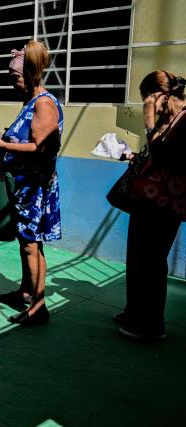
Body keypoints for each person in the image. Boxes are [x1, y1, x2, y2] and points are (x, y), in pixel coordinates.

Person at [0, 40, 63, 325]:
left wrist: (3, 146)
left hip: (34, 187)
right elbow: (25, 139)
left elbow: (42, 148)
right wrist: (1, 139)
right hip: (24, 185)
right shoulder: (30, 101)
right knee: (26, 243)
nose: (12, 82)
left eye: (15, 77)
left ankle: (38, 306)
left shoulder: (44, 103)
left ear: (31, 74)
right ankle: (25, 292)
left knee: (32, 245)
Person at [116, 70, 186, 340]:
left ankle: (151, 325)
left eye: (147, 98)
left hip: (165, 206)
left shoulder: (184, 121)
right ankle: (135, 312)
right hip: (147, 202)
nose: (146, 104)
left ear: (163, 96)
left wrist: (148, 120)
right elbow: (156, 156)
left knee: (152, 263)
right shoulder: (169, 120)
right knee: (136, 260)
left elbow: (166, 157)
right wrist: (132, 155)